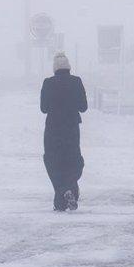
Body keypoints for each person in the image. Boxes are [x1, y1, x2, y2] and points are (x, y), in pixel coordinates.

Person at [40, 51, 88, 212]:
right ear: (69, 67)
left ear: (55, 69)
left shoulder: (48, 83)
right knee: (74, 161)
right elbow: (83, 107)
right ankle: (68, 190)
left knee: (53, 162)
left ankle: (61, 197)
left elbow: (43, 108)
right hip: (71, 128)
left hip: (53, 128)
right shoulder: (76, 82)